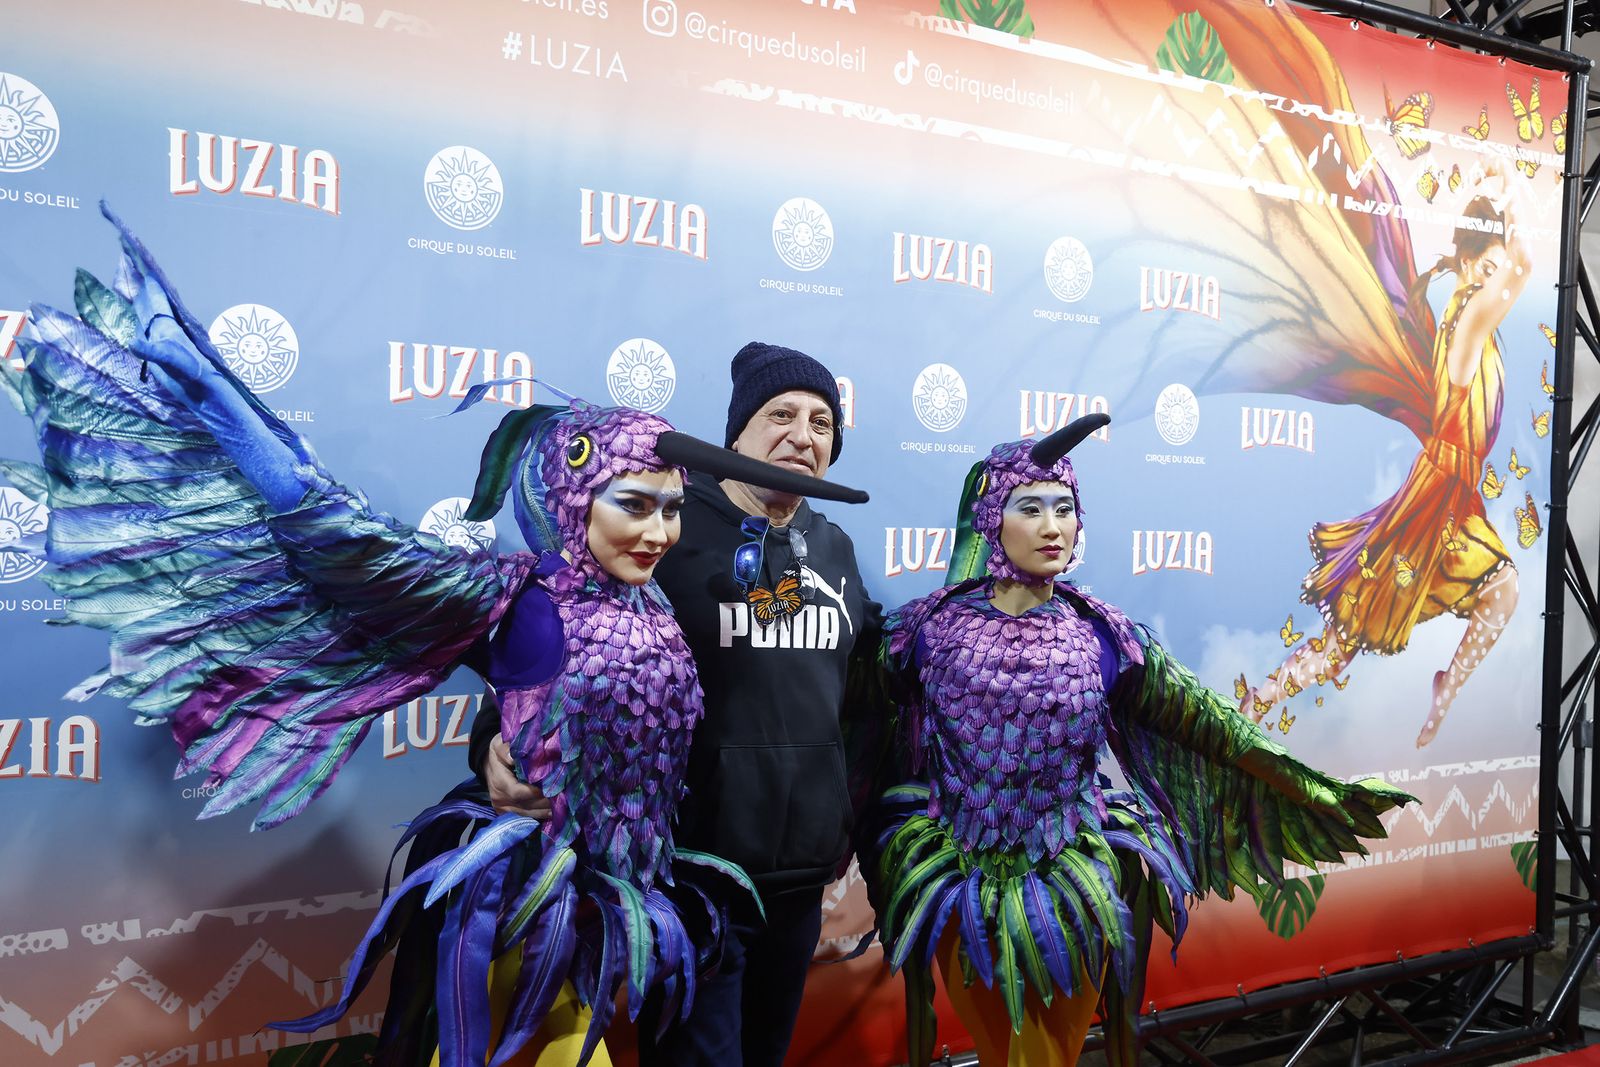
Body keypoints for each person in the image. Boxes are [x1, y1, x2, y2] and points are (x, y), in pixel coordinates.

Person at [5, 209, 870, 1067]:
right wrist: (222, 405)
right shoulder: (559, 588)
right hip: (567, 893)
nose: (655, 531)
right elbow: (357, 548)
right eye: (635, 505)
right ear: (736, 431)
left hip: (667, 898)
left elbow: (836, 701)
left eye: (822, 421)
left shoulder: (797, 558)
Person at [865, 417, 1414, 1067]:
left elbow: (1214, 729)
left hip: (1070, 893)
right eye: (1031, 508)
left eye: (1065, 508)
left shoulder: (1104, 636)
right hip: (962, 885)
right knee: (997, 1051)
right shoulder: (925, 631)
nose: (1052, 526)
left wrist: (1314, 791)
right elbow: (855, 718)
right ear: (991, 520)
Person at [475, 341, 882, 1067]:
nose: (803, 435)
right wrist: (490, 748)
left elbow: (860, 692)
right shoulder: (668, 528)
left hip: (799, 884)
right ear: (736, 435)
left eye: (822, 423)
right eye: (781, 414)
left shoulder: (835, 548)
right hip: (693, 876)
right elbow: (558, 641)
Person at [1242, 169, 1528, 748]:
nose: (1495, 278)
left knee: (1488, 593)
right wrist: (1510, 199)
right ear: (1469, 265)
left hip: (1452, 493)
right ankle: (1262, 699)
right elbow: (1520, 268)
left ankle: (1267, 696)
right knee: (1359, 626)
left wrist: (1501, 200)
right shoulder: (1469, 318)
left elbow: (1511, 266)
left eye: (1495, 269)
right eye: (1487, 267)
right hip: (1438, 498)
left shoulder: (1469, 315)